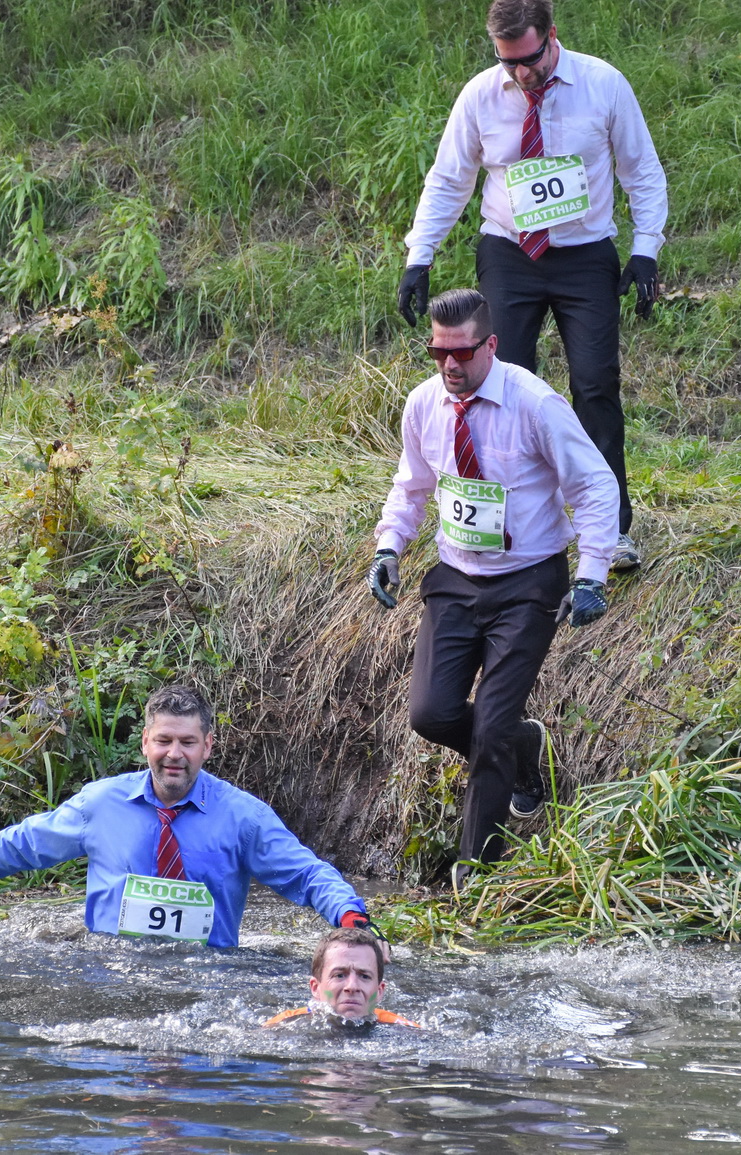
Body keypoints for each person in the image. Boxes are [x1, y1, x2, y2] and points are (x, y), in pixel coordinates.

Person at [396, 0, 667, 572]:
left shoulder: (602, 84)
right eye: (507, 62)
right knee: (501, 390)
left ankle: (610, 530)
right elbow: (449, 179)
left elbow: (641, 170)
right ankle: (517, 528)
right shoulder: (479, 96)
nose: (521, 74)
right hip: (509, 253)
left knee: (595, 385)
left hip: (585, 254)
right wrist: (419, 258)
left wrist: (646, 250)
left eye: (530, 59)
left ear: (552, 36)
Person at [367, 288, 619, 890]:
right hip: (455, 577)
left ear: (491, 345)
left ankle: (474, 868)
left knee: (490, 727)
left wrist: (591, 574)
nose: (451, 365)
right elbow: (411, 486)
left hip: (529, 581)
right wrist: (389, 548)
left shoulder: (535, 404)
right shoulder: (424, 405)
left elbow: (594, 485)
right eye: (438, 353)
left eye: (463, 352)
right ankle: (524, 751)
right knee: (431, 714)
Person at [0, 684, 376, 948]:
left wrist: (351, 916)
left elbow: (306, 873)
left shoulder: (244, 818)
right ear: (145, 743)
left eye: (187, 742)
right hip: (109, 970)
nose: (174, 754)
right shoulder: (99, 804)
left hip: (208, 982)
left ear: (207, 746)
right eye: (163, 741)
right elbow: (26, 843)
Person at [264, 927, 420, 1028]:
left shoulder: (404, 1029)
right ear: (315, 987)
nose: (352, 986)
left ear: (380, 991)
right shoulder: (283, 1026)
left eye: (364, 976)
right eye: (339, 975)